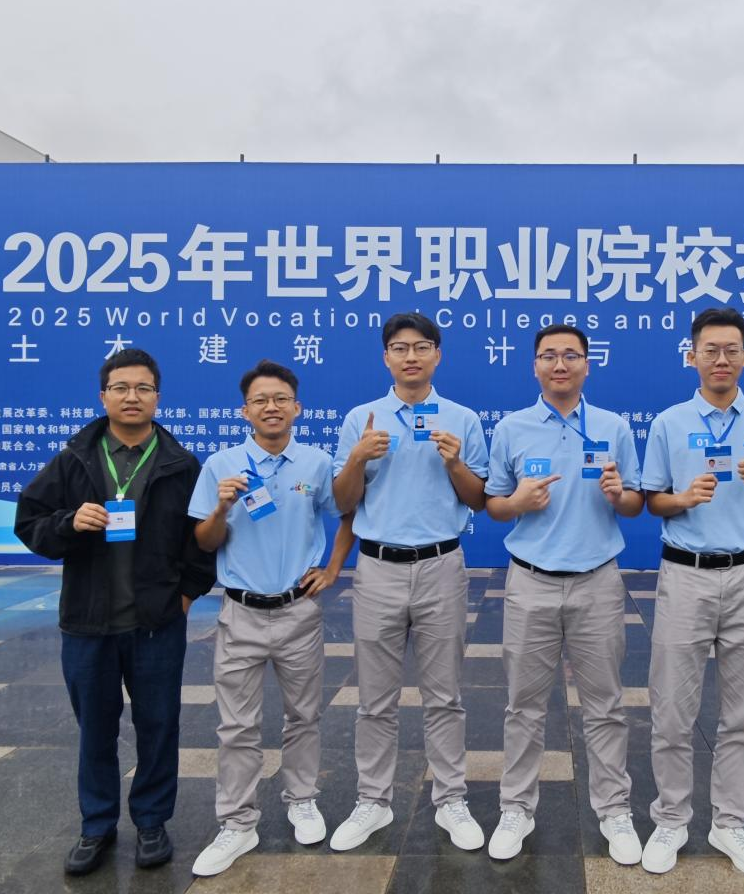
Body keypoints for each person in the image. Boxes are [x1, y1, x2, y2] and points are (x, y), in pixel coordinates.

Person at [15, 349, 215, 875]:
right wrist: (67, 522)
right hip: (88, 623)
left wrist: (187, 596)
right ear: (103, 395)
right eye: (121, 387)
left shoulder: (181, 465)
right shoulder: (74, 459)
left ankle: (151, 821)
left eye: (143, 388)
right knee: (95, 730)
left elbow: (200, 541)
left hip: (156, 624)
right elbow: (29, 523)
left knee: (159, 725)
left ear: (157, 397)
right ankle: (97, 826)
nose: (132, 397)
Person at [639, 307, 744, 879]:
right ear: (693, 356)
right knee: (672, 709)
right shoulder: (669, 422)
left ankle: (731, 822)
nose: (721, 359)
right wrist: (682, 499)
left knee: (742, 711)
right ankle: (671, 818)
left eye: (731, 350)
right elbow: (652, 499)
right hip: (686, 574)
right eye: (710, 350)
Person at [483, 326, 645, 864]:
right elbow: (494, 505)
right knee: (523, 706)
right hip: (530, 581)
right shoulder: (512, 428)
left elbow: (635, 503)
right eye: (549, 356)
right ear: (534, 365)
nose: (560, 365)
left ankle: (614, 810)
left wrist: (620, 495)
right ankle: (516, 808)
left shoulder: (613, 427)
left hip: (597, 581)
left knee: (606, 705)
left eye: (570, 355)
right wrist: (517, 503)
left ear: (587, 364)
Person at [330, 313, 489, 852]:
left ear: (437, 355)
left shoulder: (462, 418)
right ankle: (373, 800)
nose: (411, 356)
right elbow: (343, 502)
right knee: (375, 698)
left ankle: (451, 799)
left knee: (445, 694)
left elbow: (477, 498)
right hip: (377, 567)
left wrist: (455, 463)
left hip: (441, 565)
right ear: (386, 358)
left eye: (422, 347)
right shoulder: (362, 419)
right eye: (400, 348)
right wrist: (357, 458)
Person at [187, 359, 352, 878]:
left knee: (304, 715)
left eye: (281, 399)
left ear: (297, 408)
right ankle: (238, 822)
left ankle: (302, 799)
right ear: (245, 411)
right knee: (237, 725)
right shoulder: (221, 465)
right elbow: (204, 541)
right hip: (240, 612)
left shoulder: (317, 463)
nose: (271, 407)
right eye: (260, 400)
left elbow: (348, 514)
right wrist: (220, 509)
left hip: (298, 610)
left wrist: (333, 568)